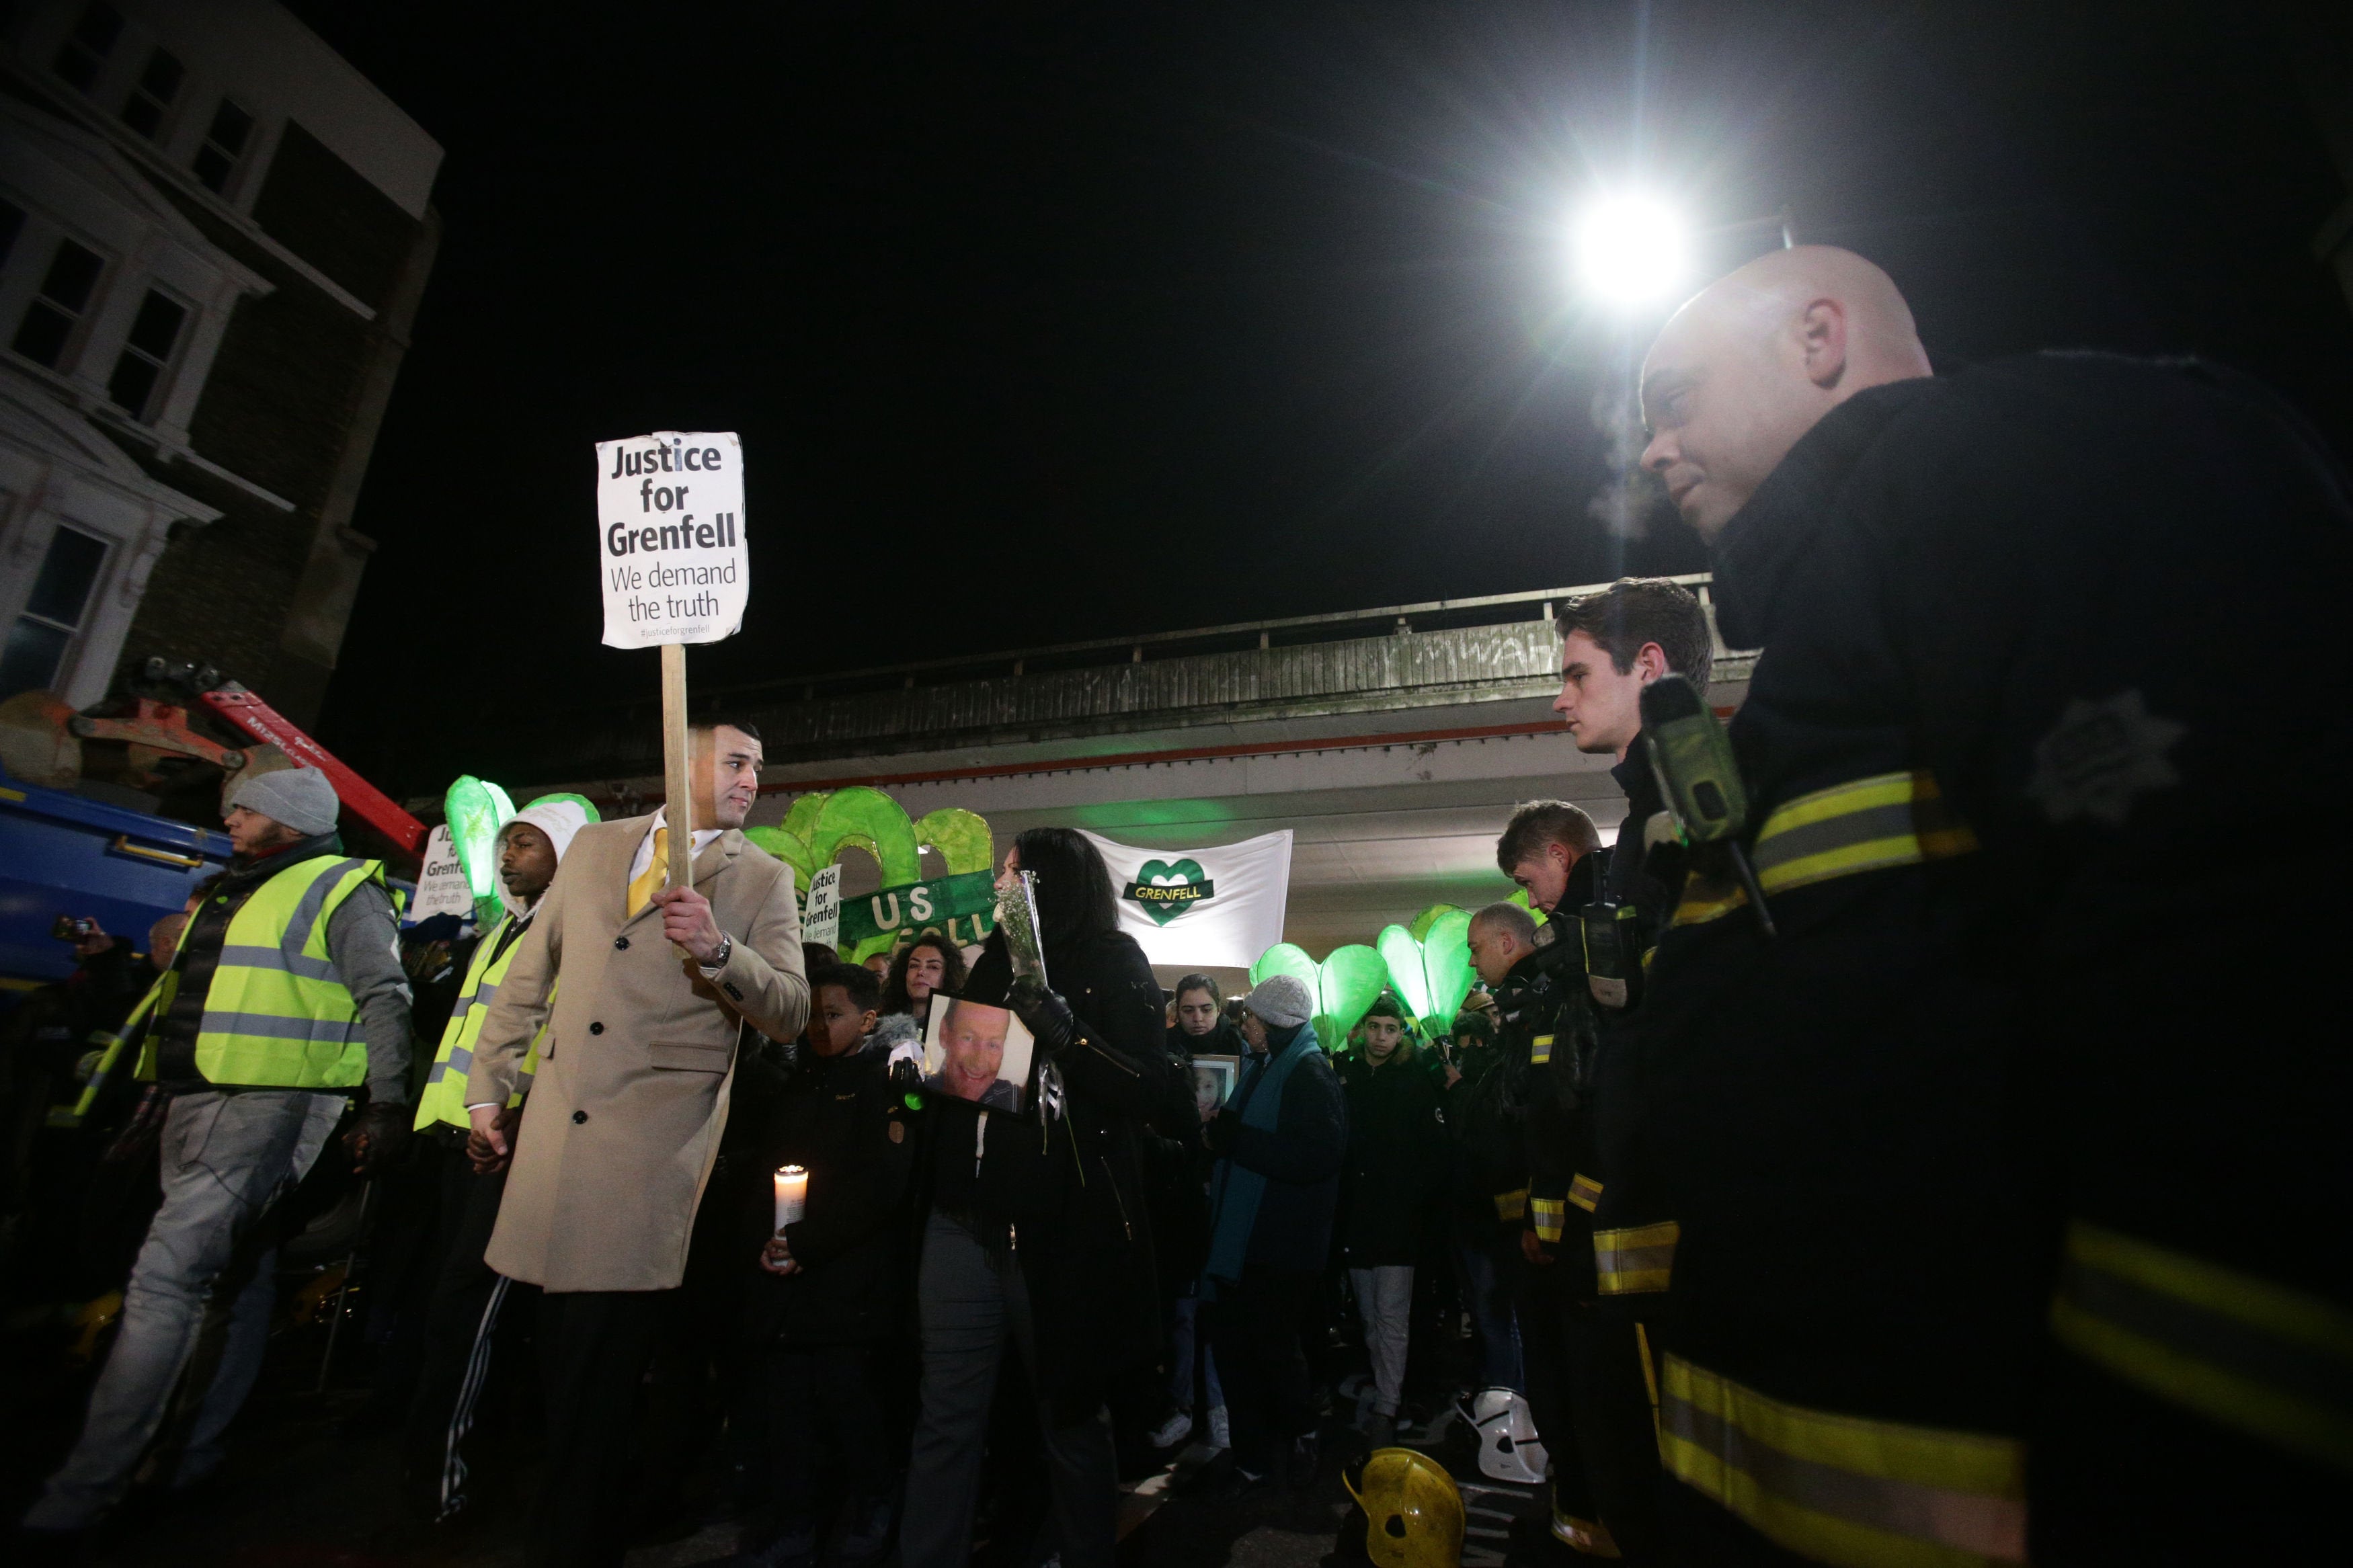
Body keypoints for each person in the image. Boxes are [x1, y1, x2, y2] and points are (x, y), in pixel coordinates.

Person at [1632, 244, 2353, 1563]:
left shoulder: (2026, 463)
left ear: (1817, 335)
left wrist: (2182, 1503)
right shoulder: (1875, 588)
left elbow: (2254, 1005)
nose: (1654, 450)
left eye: (1673, 397)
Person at [22, 766, 413, 1542]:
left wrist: (387, 1102)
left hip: (261, 1107)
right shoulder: (250, 885)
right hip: (206, 1099)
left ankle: (85, 1488)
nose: (230, 815)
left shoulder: (338, 887)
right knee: (232, 1280)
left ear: (292, 818)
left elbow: (385, 995)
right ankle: (184, 1459)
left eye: (249, 806)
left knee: (164, 1282)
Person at [462, 720, 808, 1568]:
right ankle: (566, 1517)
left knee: (604, 1366)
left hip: (650, 1152)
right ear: (681, 764)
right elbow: (527, 977)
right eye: (735, 762)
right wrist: (487, 1088)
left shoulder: (762, 877)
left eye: (757, 767)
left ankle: (577, 1537)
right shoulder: (594, 850)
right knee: (552, 1360)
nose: (751, 780)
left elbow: (792, 1008)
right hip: (551, 1143)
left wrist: (718, 949)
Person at [898, 827, 1183, 1568]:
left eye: (1012, 870)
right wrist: (922, 1079)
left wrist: (1068, 1031)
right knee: (946, 1413)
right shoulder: (990, 961)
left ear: (1047, 880)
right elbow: (973, 1082)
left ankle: (1085, 1551)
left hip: (1056, 1226)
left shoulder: (1112, 960)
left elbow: (1154, 1089)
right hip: (961, 1217)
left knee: (1068, 1412)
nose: (999, 881)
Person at [400, 798, 591, 1524]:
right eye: (507, 841)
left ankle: (444, 1484)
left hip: (511, 1147)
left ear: (567, 854)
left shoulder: (573, 932)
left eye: (526, 843)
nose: (508, 854)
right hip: (459, 1137)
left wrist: (516, 1113)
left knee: (469, 1312)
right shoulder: (504, 930)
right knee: (448, 1307)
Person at [740, 961, 914, 1568]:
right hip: (788, 1276)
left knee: (850, 1404)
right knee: (788, 1409)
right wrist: (768, 1237)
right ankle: (795, 1523)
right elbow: (771, 1167)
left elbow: (880, 1187)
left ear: (868, 1019)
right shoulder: (800, 1080)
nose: (818, 1025)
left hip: (848, 1283)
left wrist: (808, 1243)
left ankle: (873, 1505)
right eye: (812, 1013)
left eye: (832, 1014)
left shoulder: (884, 1082)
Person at [1193, 973, 1347, 1495]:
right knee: (1241, 1352)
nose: (1247, 1026)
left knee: (1273, 1354)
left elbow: (1316, 1157)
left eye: (1253, 1018)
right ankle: (1253, 1456)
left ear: (1274, 1023)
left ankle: (1301, 1434)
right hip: (1251, 1244)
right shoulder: (1271, 1065)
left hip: (1281, 1248)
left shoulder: (1307, 1073)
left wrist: (1239, 1141)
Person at [1333, 993, 1445, 1448]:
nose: (1382, 1036)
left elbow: (1433, 1154)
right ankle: (1385, 1392)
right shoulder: (1349, 1074)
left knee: (1392, 1314)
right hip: (1359, 1215)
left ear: (1403, 1033)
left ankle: (1388, 1402)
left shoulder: (1415, 1079)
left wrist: (1417, 1205)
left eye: (1391, 1028)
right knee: (1369, 1313)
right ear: (1363, 1029)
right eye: (1376, 1026)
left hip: (1399, 1217)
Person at [1439, 1007, 1521, 1397]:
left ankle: (1506, 1394)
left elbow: (1479, 1138)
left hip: (1488, 1217)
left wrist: (1458, 1090)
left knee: (1494, 1315)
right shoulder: (1483, 1076)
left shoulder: (1487, 1084)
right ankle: (1494, 1385)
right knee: (1483, 1309)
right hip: (1469, 1213)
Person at [922, 996, 1024, 1112]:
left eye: (993, 1045)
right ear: (944, 1033)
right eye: (968, 1038)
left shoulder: (1011, 1101)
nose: (979, 1063)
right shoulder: (919, 1085)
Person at [879, 931, 965, 1031]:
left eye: (933, 967)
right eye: (914, 966)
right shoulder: (881, 1023)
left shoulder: (957, 1029)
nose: (921, 972)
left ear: (948, 975)